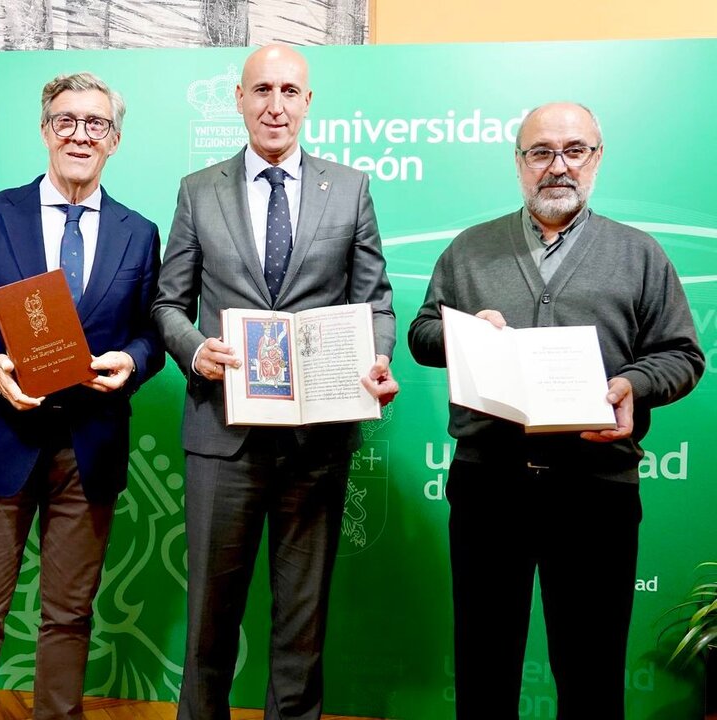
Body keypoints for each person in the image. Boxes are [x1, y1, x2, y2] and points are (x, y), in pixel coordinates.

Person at [408, 102, 704, 719]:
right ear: (519, 164)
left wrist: (633, 384)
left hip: (595, 491)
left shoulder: (639, 253)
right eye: (540, 152)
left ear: (597, 158)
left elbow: (682, 354)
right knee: (484, 672)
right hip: (490, 487)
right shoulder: (470, 249)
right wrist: (466, 334)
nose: (557, 167)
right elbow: (421, 333)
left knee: (591, 676)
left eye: (575, 151)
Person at [152, 44, 399, 720]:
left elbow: (375, 300)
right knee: (209, 617)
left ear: (308, 102)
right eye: (261, 88)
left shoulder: (350, 188)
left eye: (290, 90)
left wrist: (376, 359)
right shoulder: (198, 189)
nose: (275, 104)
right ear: (238, 98)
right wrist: (193, 348)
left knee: (301, 620)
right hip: (221, 434)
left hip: (316, 438)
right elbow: (167, 302)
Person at [0, 72, 164, 720]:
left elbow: (152, 329)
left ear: (114, 140)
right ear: (45, 130)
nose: (79, 134)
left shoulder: (138, 232)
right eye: (66, 120)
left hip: (87, 449)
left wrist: (134, 360)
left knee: (68, 615)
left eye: (95, 123)